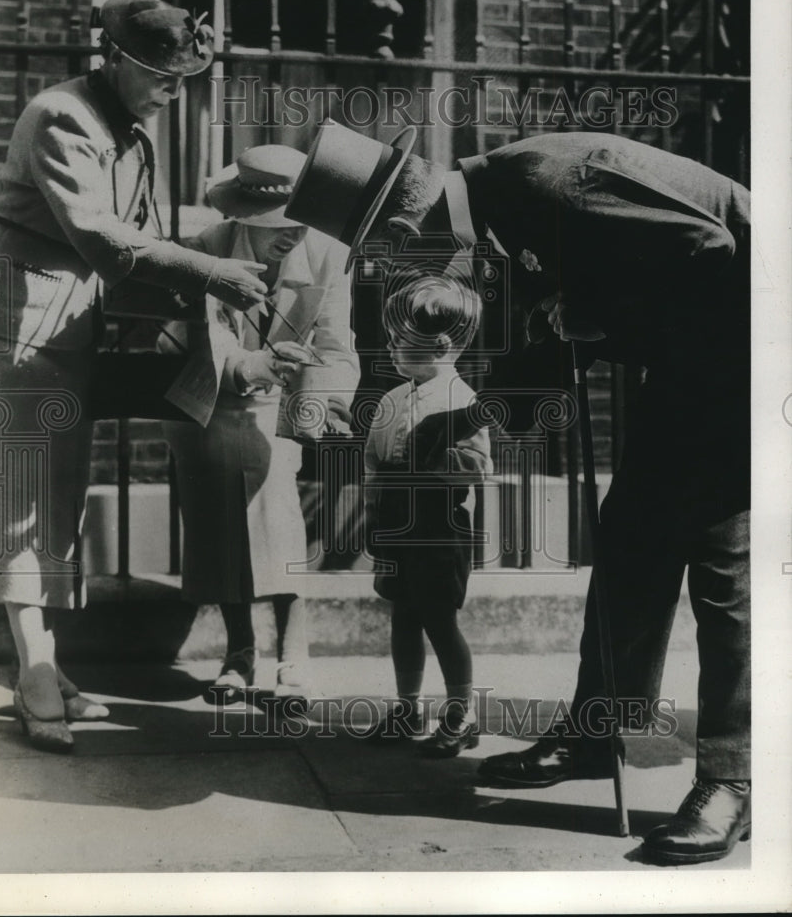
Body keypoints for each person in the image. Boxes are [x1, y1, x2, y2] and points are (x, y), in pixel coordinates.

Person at [285, 120, 751, 865]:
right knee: (631, 536)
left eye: (388, 248)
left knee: (721, 562)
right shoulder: (503, 210)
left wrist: (599, 317)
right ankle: (597, 735)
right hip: (692, 367)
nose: (398, 263)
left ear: (405, 222)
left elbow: (708, 251)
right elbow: (552, 329)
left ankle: (731, 779)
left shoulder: (552, 183)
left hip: (750, 353)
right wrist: (479, 415)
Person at [0, 0, 269, 753]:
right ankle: (35, 678)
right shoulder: (61, 115)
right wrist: (208, 274)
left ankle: (45, 664)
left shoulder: (128, 127)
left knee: (56, 496)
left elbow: (128, 242)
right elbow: (103, 239)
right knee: (23, 496)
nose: (177, 89)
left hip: (65, 321)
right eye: (163, 74)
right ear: (115, 60)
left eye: (185, 75)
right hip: (22, 323)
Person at [161, 145, 359, 706]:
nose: (291, 237)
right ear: (245, 217)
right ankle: (240, 653)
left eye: (300, 225)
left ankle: (294, 653)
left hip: (279, 402)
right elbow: (203, 345)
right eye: (280, 227)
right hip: (207, 396)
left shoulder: (328, 253)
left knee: (278, 519)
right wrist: (257, 364)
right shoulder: (207, 250)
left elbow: (337, 346)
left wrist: (324, 405)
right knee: (219, 527)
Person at [363, 275, 491, 756]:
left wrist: (436, 461)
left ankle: (462, 711)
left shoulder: (462, 401)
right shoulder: (390, 401)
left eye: (402, 337)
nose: (392, 345)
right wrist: (376, 518)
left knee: (439, 620)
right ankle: (407, 706)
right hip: (398, 526)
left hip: (439, 526)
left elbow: (477, 467)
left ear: (440, 344)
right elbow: (373, 462)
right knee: (402, 617)